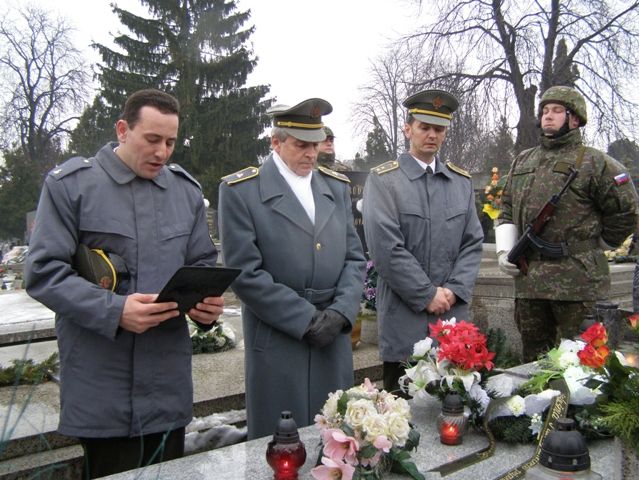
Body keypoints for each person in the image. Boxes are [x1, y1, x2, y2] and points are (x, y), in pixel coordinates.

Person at [25, 89, 224, 478]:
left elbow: (202, 262)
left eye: (170, 142)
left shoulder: (184, 192)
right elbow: (44, 272)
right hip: (103, 389)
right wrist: (115, 311)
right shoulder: (72, 186)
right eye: (152, 139)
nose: (162, 152)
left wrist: (206, 306)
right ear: (122, 130)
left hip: (166, 388)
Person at [218, 98, 366, 439]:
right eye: (301, 145)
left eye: (316, 144)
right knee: (281, 444)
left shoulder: (335, 187)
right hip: (278, 337)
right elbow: (244, 273)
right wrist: (305, 320)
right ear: (276, 142)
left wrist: (341, 313)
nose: (312, 154)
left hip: (332, 333)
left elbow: (354, 258)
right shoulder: (242, 191)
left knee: (336, 438)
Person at [496, 85, 639, 362]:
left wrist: (600, 243)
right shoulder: (523, 160)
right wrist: (504, 250)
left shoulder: (596, 163)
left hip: (579, 282)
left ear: (574, 119)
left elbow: (626, 211)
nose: (548, 116)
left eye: (557, 111)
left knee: (584, 363)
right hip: (530, 283)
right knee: (534, 364)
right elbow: (507, 207)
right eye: (545, 111)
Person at [362, 89, 484, 395]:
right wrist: (426, 293)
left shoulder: (460, 182)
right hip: (405, 318)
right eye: (424, 127)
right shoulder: (384, 181)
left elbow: (472, 243)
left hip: (452, 319)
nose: (432, 135)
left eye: (439, 129)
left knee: (454, 406)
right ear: (408, 129)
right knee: (402, 410)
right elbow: (386, 248)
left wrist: (454, 289)